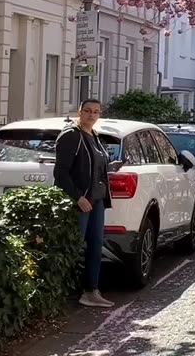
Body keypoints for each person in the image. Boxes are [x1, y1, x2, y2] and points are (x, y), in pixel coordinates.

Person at [54, 99, 115, 308]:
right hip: (80, 201)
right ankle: (57, 294)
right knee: (73, 247)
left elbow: (96, 167)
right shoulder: (72, 136)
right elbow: (61, 173)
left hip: (97, 200)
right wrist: (77, 197)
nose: (91, 115)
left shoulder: (95, 136)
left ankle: (91, 291)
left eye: (96, 112)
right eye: (87, 111)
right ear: (79, 112)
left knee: (96, 246)